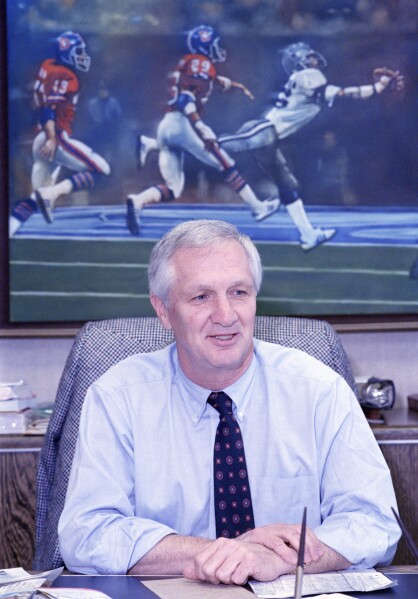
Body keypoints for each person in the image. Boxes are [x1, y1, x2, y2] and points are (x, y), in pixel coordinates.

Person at [58, 219, 400, 583]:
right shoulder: (117, 398)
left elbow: (375, 523)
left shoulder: (318, 390)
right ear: (163, 310)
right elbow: (86, 534)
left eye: (239, 292)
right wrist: (224, 553)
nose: (225, 316)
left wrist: (281, 559)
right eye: (201, 296)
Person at [217, 42, 404, 250]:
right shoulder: (307, 77)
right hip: (265, 130)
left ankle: (308, 235)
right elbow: (344, 94)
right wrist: (378, 88)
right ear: (297, 63)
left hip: (272, 137)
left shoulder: (305, 79)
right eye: (307, 58)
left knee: (288, 185)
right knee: (221, 146)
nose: (313, 60)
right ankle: (193, 145)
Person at [126, 25, 279, 235]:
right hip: (184, 123)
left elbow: (209, 83)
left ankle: (138, 199)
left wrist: (235, 86)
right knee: (226, 163)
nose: (218, 49)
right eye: (214, 45)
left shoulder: (190, 63)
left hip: (167, 125)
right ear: (206, 46)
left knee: (173, 188)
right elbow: (186, 97)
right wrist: (200, 126)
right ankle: (258, 208)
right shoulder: (202, 63)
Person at [9, 31, 111, 236]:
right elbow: (49, 108)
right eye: (78, 52)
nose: (82, 56)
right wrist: (53, 138)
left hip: (41, 138)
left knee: (35, 200)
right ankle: (51, 193)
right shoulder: (67, 76)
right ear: (66, 52)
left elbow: (41, 102)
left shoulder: (47, 66)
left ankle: (10, 226)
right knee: (101, 170)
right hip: (54, 137)